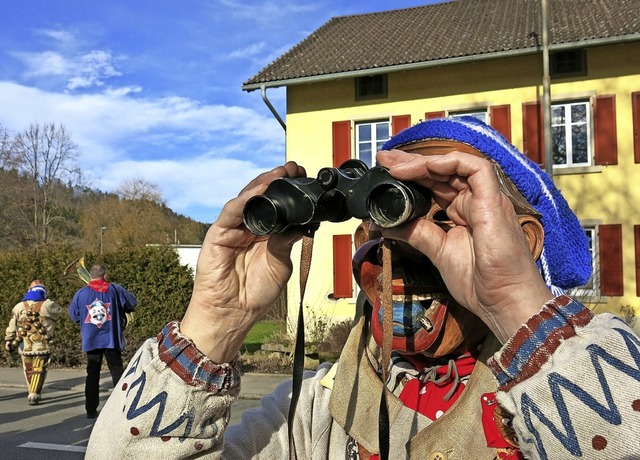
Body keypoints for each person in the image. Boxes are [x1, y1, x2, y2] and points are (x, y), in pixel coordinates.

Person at [86, 118, 640, 459]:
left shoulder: (574, 380)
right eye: (379, 227)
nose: (394, 256)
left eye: (436, 220)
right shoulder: (320, 410)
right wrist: (213, 320)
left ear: (526, 243)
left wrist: (519, 305)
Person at [68, 263, 137, 419]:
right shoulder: (115, 289)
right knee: (117, 371)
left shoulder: (80, 293)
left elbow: (73, 315)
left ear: (91, 276)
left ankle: (91, 410)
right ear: (105, 276)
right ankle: (122, 407)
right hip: (111, 338)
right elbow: (132, 303)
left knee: (92, 374)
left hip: (91, 339)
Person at [4, 280, 63, 405]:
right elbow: (59, 312)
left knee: (28, 369)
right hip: (42, 344)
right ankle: (34, 393)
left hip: (24, 344)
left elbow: (12, 325)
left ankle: (32, 390)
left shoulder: (19, 306)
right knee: (40, 369)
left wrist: (8, 339)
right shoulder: (48, 304)